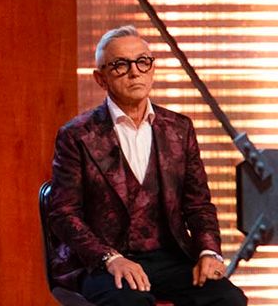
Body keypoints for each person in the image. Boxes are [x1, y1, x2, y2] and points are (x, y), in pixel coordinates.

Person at [48, 25, 247, 306]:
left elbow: (198, 205)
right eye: (120, 65)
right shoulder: (76, 135)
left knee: (228, 298)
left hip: (168, 256)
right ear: (100, 78)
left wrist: (208, 252)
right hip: (101, 262)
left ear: (152, 68)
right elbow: (63, 214)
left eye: (142, 61)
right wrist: (110, 258)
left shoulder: (179, 129)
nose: (134, 72)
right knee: (131, 303)